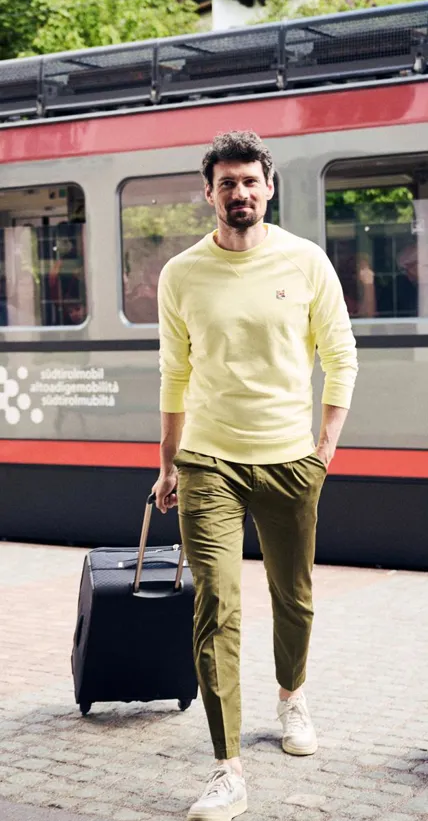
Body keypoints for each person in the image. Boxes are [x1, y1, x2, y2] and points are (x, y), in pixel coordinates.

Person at [153, 131, 358, 821]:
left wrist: (323, 449)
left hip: (290, 460)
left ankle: (292, 694)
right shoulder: (181, 273)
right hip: (207, 460)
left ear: (268, 187)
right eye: (226, 183)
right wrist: (168, 460)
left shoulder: (306, 262)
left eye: (249, 181)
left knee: (292, 597)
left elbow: (341, 355)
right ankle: (227, 768)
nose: (238, 192)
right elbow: (174, 371)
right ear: (208, 193)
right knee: (216, 606)